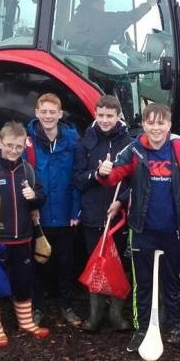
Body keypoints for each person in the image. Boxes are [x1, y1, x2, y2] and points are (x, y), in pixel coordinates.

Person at [96, 103, 180, 353]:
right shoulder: (135, 150)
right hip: (142, 230)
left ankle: (175, 330)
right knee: (142, 284)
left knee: (174, 283)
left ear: (169, 125)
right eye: (150, 122)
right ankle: (141, 330)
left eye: (160, 123)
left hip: (174, 230)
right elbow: (111, 177)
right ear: (144, 125)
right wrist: (102, 171)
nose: (155, 127)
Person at [0, 121, 49, 347]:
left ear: (24, 145)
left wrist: (33, 197)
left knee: (23, 282)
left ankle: (25, 323)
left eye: (18, 146)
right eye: (9, 145)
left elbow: (41, 200)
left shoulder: (29, 171)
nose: (14, 150)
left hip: (23, 239)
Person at [74, 95, 132, 332]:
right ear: (95, 115)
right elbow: (78, 180)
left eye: (110, 116)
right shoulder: (84, 142)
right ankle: (95, 315)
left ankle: (116, 314)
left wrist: (120, 201)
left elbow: (134, 180)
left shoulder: (129, 143)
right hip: (92, 214)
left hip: (116, 216)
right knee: (95, 263)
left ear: (118, 116)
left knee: (116, 263)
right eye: (101, 116)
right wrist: (96, 174)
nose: (105, 120)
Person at [26, 93, 82, 327]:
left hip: (65, 215)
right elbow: (24, 178)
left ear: (60, 114)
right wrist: (30, 208)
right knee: (39, 263)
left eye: (53, 112)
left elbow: (78, 179)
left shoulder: (72, 142)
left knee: (65, 264)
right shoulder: (28, 144)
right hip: (39, 215)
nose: (48, 116)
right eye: (44, 111)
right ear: (37, 113)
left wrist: (75, 211)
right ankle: (37, 307)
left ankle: (66, 306)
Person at [66, 0, 157, 58]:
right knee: (121, 78)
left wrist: (120, 39)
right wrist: (148, 4)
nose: (104, 4)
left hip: (81, 62)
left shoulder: (78, 18)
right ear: (94, 3)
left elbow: (98, 36)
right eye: (102, 1)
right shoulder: (99, 19)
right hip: (94, 64)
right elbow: (128, 17)